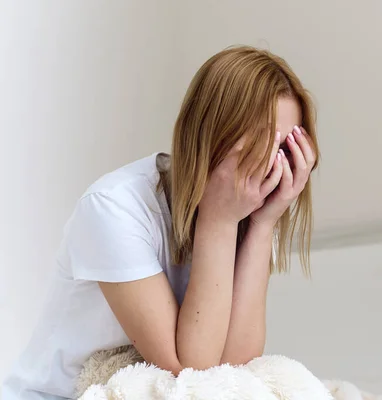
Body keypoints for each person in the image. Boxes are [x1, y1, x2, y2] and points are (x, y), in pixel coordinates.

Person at [1, 45, 320, 399]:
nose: (272, 168)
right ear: (211, 135)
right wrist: (218, 219)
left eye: (286, 150)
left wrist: (262, 227)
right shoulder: (114, 208)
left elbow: (233, 369)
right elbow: (191, 369)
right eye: (260, 145)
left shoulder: (251, 211)